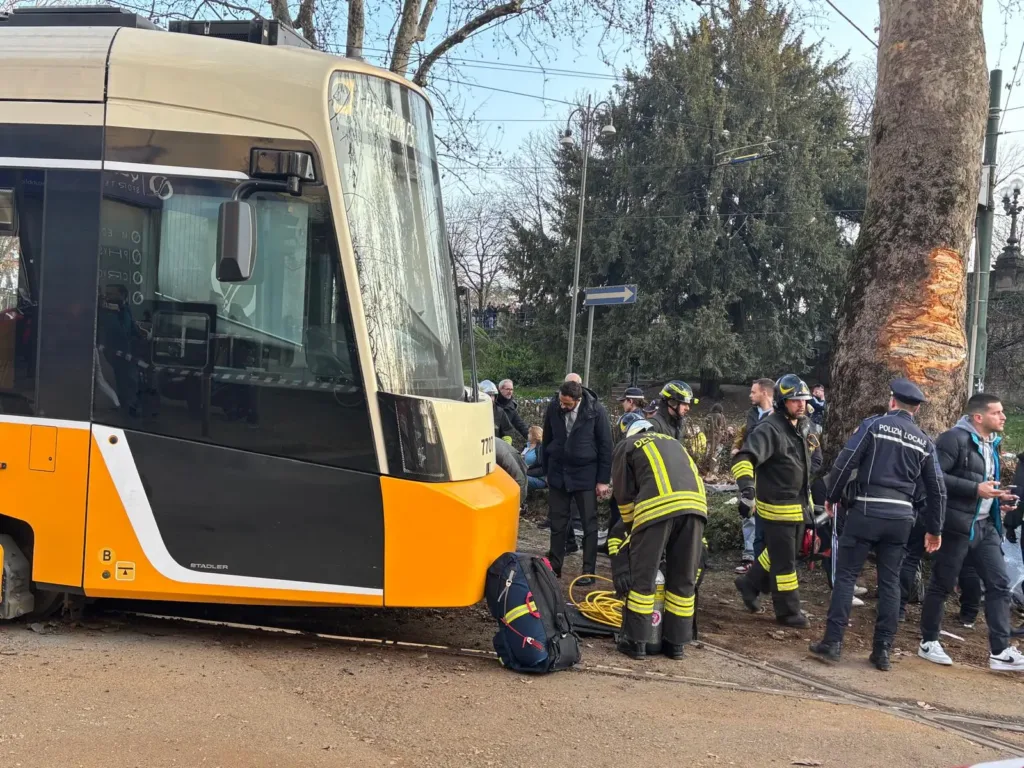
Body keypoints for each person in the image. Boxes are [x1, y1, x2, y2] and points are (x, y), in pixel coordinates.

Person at [808, 379, 945, 671]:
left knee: (846, 576)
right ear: (917, 408)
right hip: (901, 519)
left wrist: (832, 498)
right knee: (890, 582)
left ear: (892, 401)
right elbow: (937, 489)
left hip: (866, 511)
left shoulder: (874, 426)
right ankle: (882, 650)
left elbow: (845, 462)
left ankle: (832, 643)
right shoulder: (924, 440)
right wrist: (935, 529)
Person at [918, 393, 1024, 671]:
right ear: (978, 417)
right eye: (997, 413)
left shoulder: (992, 443)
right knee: (942, 583)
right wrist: (975, 490)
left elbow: (982, 483)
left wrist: (998, 499)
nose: (1003, 417)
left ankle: (1000, 652)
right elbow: (934, 476)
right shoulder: (954, 439)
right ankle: (928, 641)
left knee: (999, 584)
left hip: (986, 525)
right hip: (956, 525)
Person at [609, 418, 707, 660]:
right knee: (683, 578)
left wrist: (631, 528)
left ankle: (638, 642)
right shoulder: (674, 443)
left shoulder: (628, 445)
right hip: (695, 509)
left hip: (655, 510)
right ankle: (676, 645)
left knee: (643, 578)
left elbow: (623, 493)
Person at [731, 374, 816, 628]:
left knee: (782, 553)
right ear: (781, 401)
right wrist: (747, 491)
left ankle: (749, 583)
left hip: (799, 505)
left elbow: (811, 454)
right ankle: (788, 611)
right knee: (785, 564)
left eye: (803, 400)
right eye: (794, 400)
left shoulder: (801, 425)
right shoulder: (770, 428)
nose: (801, 405)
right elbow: (744, 459)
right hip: (777, 508)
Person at [541, 378, 613, 586]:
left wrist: (602, 480)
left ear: (578, 399)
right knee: (558, 522)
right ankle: (555, 567)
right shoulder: (554, 407)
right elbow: (547, 438)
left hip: (586, 475)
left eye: (567, 404)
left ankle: (588, 571)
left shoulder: (596, 411)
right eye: (561, 402)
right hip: (558, 473)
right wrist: (546, 471)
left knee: (589, 523)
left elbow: (606, 445)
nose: (562, 406)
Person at [734, 378, 776, 575]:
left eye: (753, 392)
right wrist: (736, 447)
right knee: (748, 512)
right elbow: (744, 433)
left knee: (769, 518)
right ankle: (749, 556)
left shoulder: (780, 415)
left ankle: (767, 560)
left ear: (765, 393)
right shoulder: (752, 414)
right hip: (750, 471)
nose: (750, 395)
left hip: (771, 476)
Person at [494, 436, 529, 508]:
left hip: (514, 461)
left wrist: (516, 506)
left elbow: (520, 480)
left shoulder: (504, 456)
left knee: (520, 480)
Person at [522, 425, 547, 491]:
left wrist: (526, 472)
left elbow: (543, 469)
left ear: (535, 436)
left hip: (539, 478)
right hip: (524, 473)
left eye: (529, 433)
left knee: (518, 478)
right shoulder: (527, 446)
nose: (528, 435)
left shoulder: (541, 448)